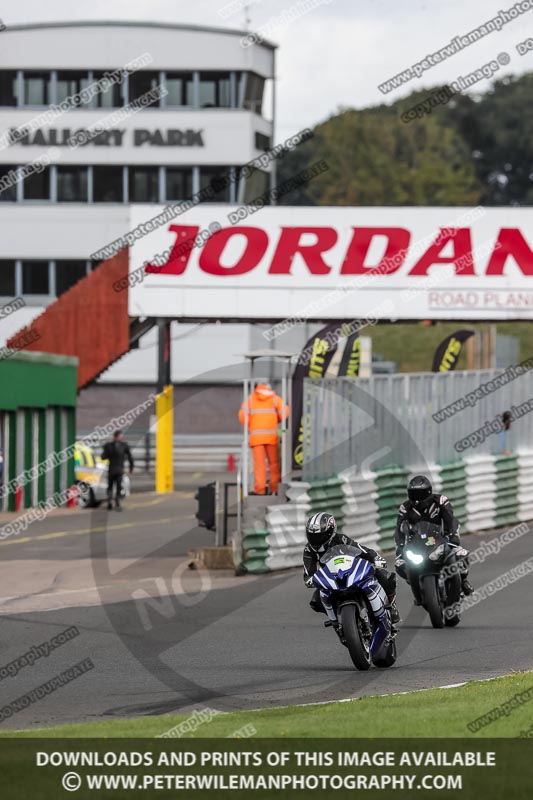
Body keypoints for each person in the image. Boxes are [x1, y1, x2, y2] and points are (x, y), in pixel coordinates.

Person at [303, 512, 401, 625]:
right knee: (315, 601)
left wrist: (375, 558)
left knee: (383, 575)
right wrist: (310, 579)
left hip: (352, 570)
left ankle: (391, 605)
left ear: (330, 532)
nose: (316, 539)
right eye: (312, 535)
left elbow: (363, 550)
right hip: (332, 577)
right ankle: (337, 618)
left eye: (320, 535)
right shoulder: (308, 550)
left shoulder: (341, 539)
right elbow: (308, 571)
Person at [394, 475, 473, 595]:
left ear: (429, 492)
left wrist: (453, 537)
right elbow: (399, 529)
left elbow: (450, 520)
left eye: (419, 494)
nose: (416, 499)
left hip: (442, 539)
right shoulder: (405, 507)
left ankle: (463, 580)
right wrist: (400, 549)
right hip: (417, 543)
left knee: (462, 554)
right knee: (399, 564)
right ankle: (415, 581)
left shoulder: (440, 501)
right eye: (413, 494)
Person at [238, 383, 289, 496]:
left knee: (259, 465)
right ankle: (275, 489)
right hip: (271, 437)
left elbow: (242, 416)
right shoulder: (275, 399)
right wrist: (277, 420)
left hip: (256, 438)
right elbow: (285, 413)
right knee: (274, 464)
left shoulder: (250, 399)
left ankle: (259, 489)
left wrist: (251, 425)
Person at [101, 430, 133, 511]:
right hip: (115, 469)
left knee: (116, 485)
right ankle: (112, 501)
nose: (121, 438)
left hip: (116, 469)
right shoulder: (113, 446)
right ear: (116, 436)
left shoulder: (121, 446)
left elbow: (130, 457)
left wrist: (131, 467)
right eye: (120, 436)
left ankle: (115, 500)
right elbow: (103, 456)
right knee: (113, 486)